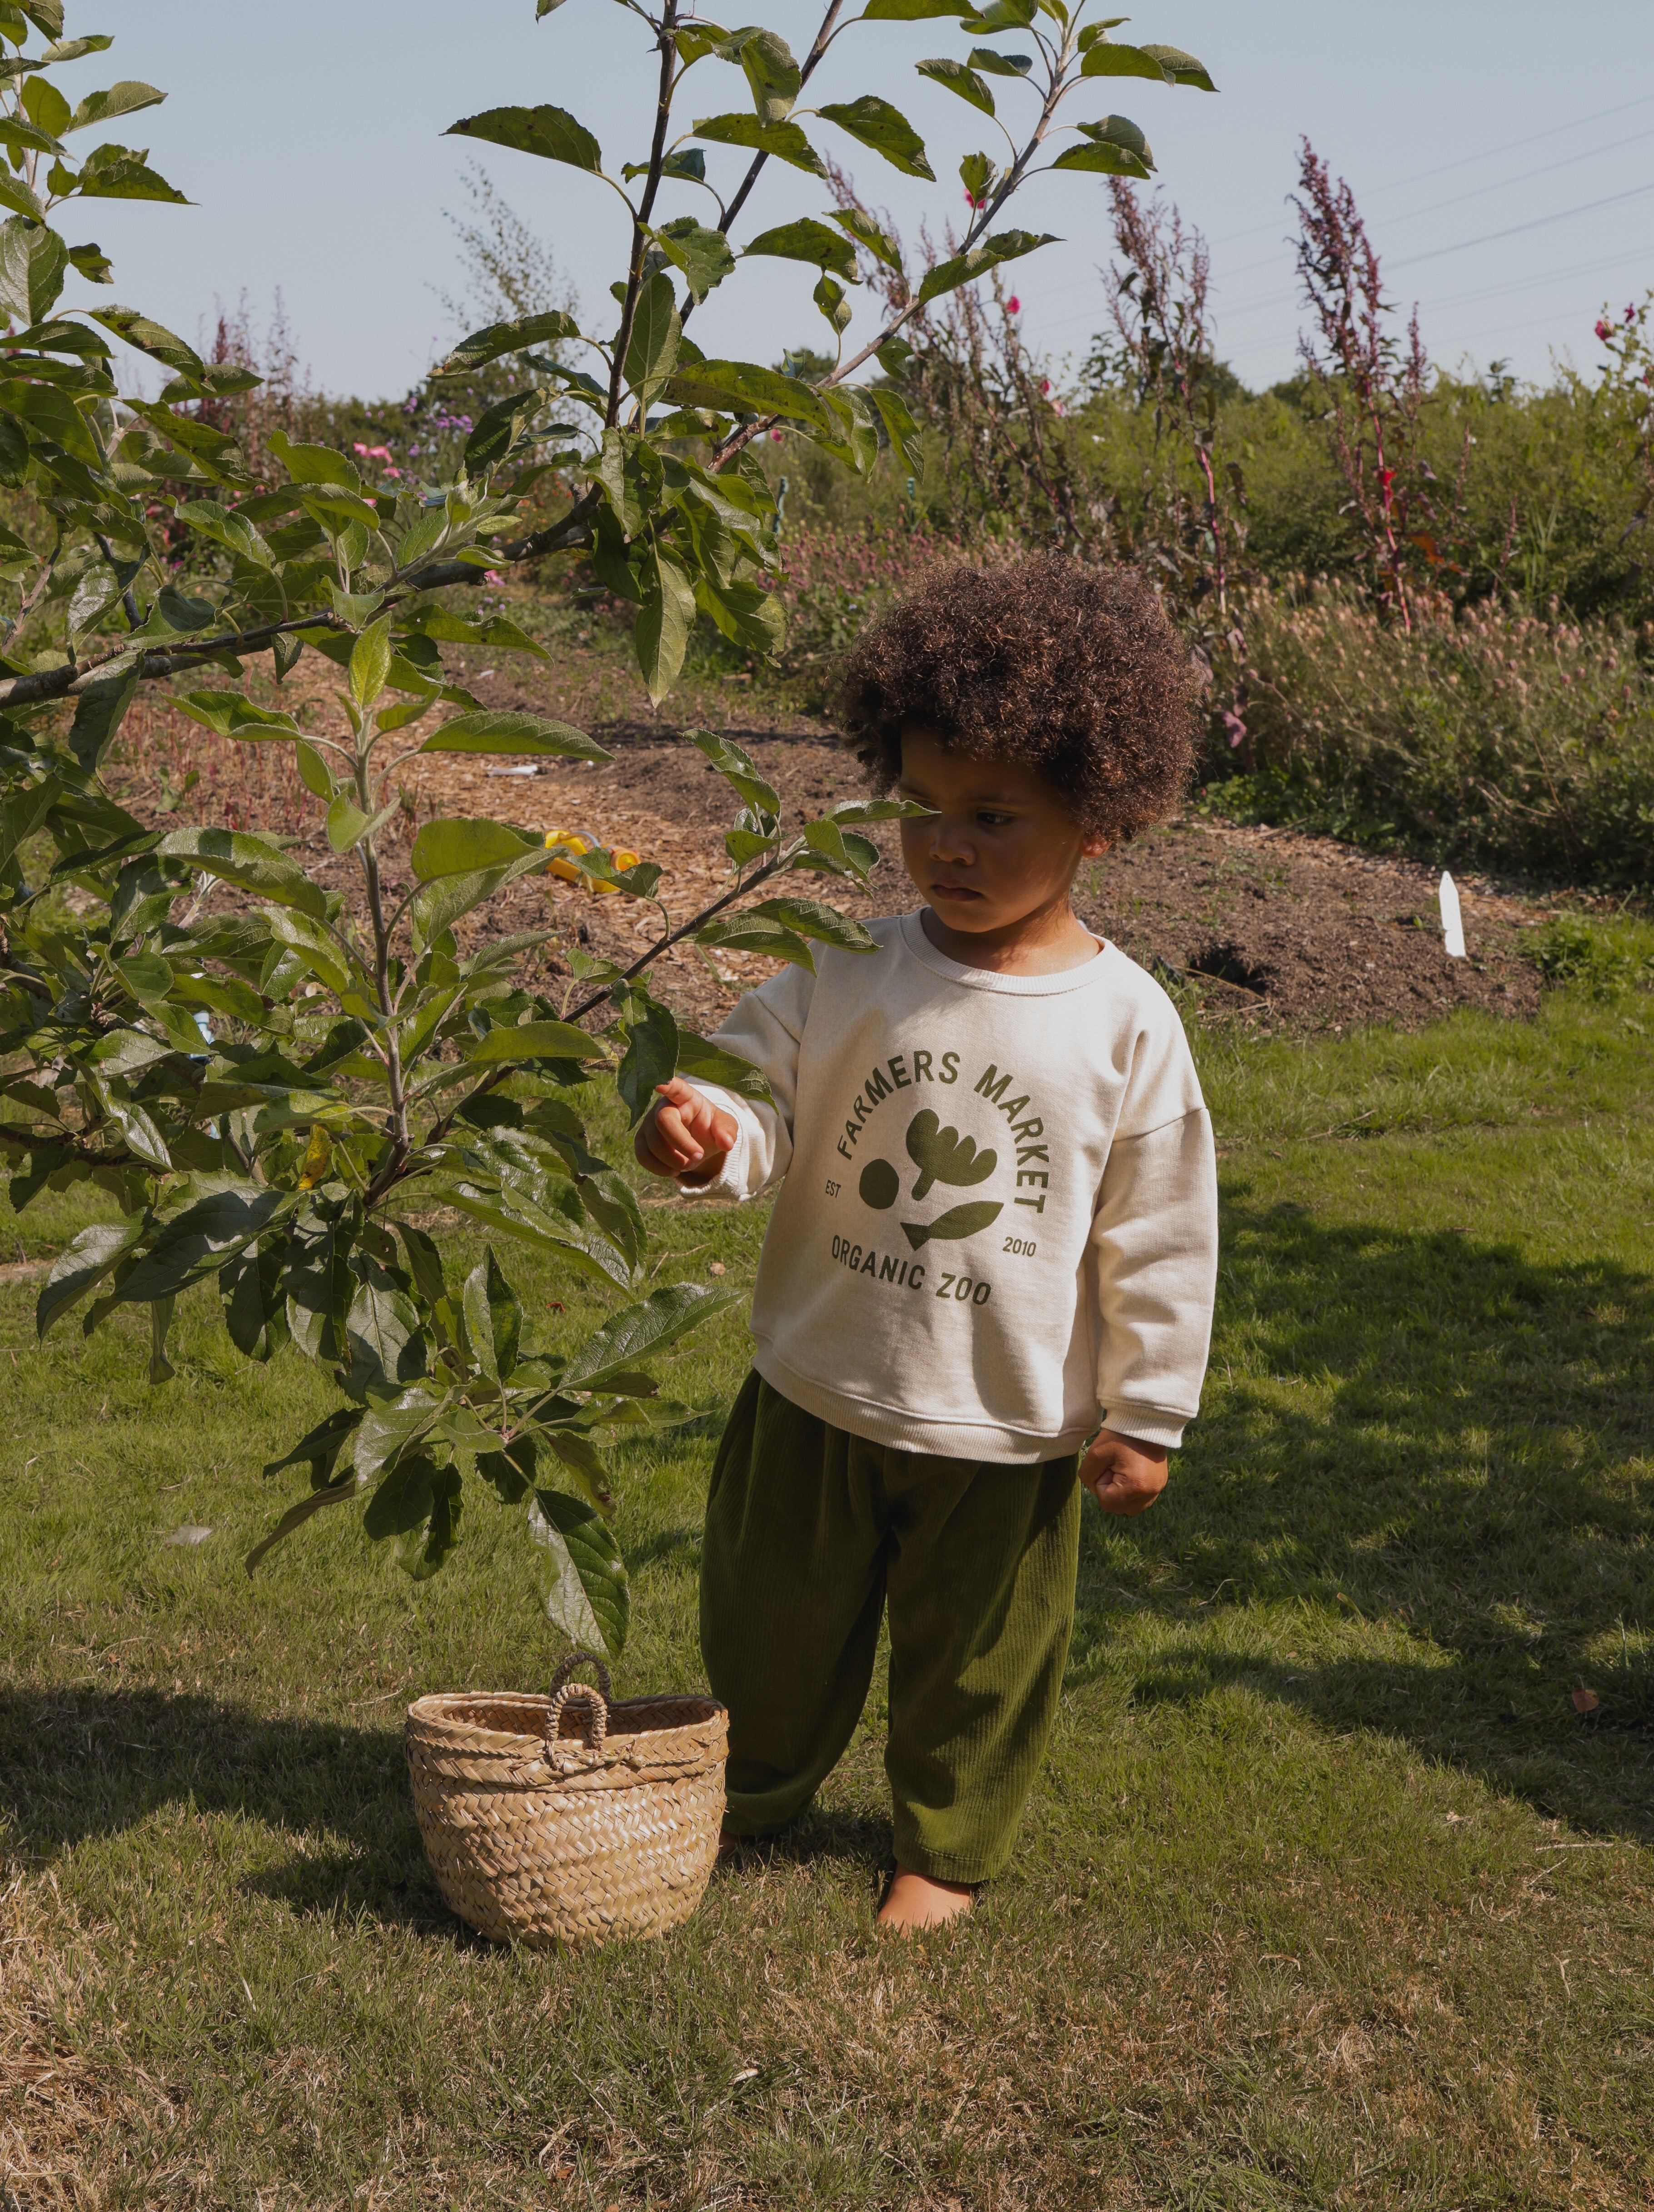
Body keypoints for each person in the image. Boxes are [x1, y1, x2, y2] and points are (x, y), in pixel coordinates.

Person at [634, 558, 1219, 1932]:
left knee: (979, 1660)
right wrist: (712, 1127)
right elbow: (762, 1081)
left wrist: (1147, 1411)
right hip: (819, 1384)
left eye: (994, 817)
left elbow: (1162, 1228)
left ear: (1101, 825)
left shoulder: (1124, 1025)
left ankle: (942, 1848)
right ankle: (752, 1786)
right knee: (767, 1629)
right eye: (922, 808)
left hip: (1006, 1428)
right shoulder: (844, 962)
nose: (947, 845)